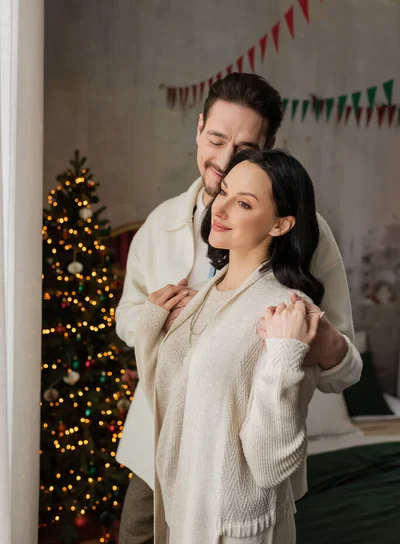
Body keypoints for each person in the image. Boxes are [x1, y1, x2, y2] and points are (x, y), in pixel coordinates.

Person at [116, 73, 362, 543]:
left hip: (236, 471)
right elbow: (129, 318)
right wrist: (158, 317)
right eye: (216, 138)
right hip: (158, 442)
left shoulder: (307, 239)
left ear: (268, 146)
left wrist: (313, 344)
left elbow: (338, 367)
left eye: (245, 145)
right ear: (199, 128)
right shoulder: (160, 224)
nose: (224, 158)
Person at [134, 148, 336, 543]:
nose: (220, 209)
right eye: (223, 192)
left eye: (243, 203)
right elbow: (167, 401)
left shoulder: (288, 312)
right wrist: (150, 326)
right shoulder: (207, 294)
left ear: (280, 224)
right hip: (185, 514)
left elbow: (271, 465)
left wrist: (284, 357)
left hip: (233, 530)